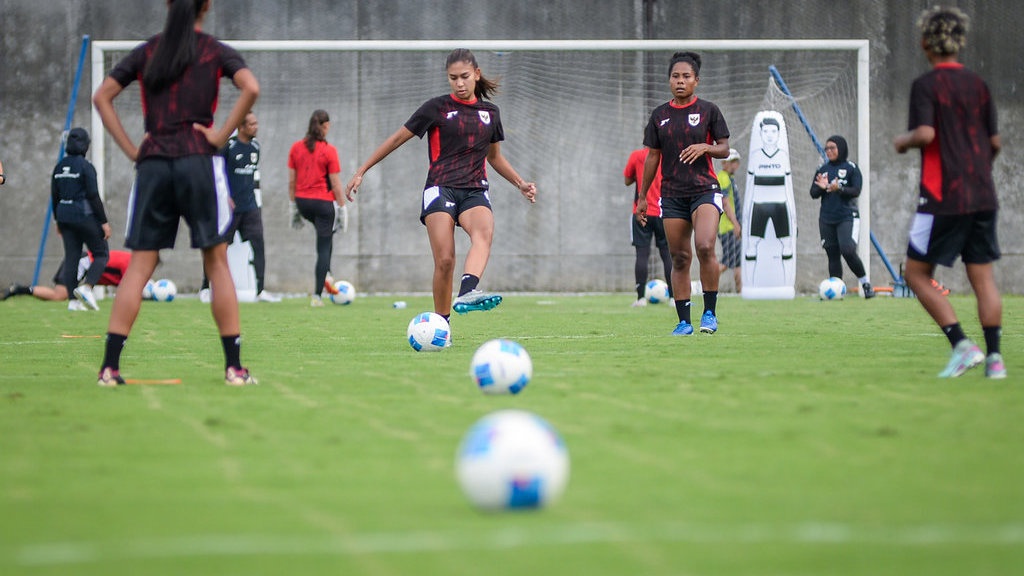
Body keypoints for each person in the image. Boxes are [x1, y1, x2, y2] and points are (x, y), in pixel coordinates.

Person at [92, 0, 260, 386]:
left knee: (140, 265)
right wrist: (220, 135)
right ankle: (234, 369)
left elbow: (101, 96)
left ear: (168, 4)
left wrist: (133, 151)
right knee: (216, 262)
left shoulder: (148, 50)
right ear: (207, 5)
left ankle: (109, 368)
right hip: (198, 162)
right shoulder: (213, 50)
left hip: (154, 164)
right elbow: (251, 87)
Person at [344, 48, 536, 322]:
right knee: (445, 261)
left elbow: (494, 157)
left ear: (476, 74)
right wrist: (362, 170)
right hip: (440, 188)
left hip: (475, 189)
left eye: (464, 76)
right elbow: (397, 139)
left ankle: (467, 292)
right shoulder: (436, 108)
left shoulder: (490, 113)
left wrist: (520, 183)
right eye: (453, 78)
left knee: (484, 233)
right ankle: (441, 326)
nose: (459, 83)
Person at [893, 6, 1004, 379]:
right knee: (983, 278)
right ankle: (995, 360)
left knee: (915, 273)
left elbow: (926, 134)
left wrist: (904, 141)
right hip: (982, 194)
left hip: (941, 197)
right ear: (960, 42)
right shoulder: (978, 85)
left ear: (925, 43)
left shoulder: (926, 86)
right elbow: (995, 143)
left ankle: (961, 345)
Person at [637, 51, 730, 336]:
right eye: (675, 76)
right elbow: (653, 156)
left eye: (686, 76)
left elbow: (725, 149)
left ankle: (710, 313)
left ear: (696, 80)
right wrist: (643, 197)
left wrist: (706, 147)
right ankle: (684, 322)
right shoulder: (659, 116)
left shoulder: (709, 110)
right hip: (672, 194)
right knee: (679, 257)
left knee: (705, 246)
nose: (680, 81)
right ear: (669, 80)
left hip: (705, 190)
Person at [199, 111, 279, 303]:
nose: (256, 127)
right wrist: (224, 196)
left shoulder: (255, 147)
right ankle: (205, 287)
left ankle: (260, 291)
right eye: (251, 124)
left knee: (258, 245)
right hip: (229, 209)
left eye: (256, 123)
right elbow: (215, 172)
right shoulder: (229, 147)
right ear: (241, 127)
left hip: (250, 207)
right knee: (217, 248)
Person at [288, 109, 346, 307]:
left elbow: (292, 181)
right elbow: (335, 184)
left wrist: (293, 206)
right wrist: (342, 207)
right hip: (322, 204)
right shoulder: (329, 150)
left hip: (303, 203)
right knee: (323, 247)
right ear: (326, 126)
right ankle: (317, 296)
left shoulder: (296, 147)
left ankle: (327, 274)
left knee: (326, 235)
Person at [51, 127, 111, 311]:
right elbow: (93, 195)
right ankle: (87, 287)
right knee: (101, 254)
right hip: (84, 216)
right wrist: (103, 221)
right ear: (86, 146)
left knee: (72, 257)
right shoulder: (86, 167)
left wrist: (57, 220)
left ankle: (73, 301)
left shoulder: (59, 167)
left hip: (64, 216)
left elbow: (55, 195)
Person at [809, 135, 874, 298]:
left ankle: (866, 284)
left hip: (847, 216)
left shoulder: (851, 168)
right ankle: (836, 289)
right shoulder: (823, 169)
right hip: (826, 218)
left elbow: (856, 190)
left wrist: (839, 189)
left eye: (832, 148)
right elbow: (813, 193)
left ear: (841, 148)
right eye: (827, 148)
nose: (829, 151)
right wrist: (822, 187)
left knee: (848, 250)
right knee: (832, 254)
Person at [623, 147, 672, 307]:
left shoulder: (637, 155)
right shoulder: (667, 154)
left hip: (641, 212)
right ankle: (674, 298)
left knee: (642, 254)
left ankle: (640, 299)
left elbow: (627, 180)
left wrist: (640, 176)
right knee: (668, 254)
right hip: (663, 211)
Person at [3, 250, 131, 309]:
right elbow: (129, 290)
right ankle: (19, 289)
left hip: (83, 263)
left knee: (58, 295)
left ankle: (19, 289)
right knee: (59, 295)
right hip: (81, 262)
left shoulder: (132, 263)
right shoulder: (130, 263)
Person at [716, 148, 743, 293]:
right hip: (727, 227)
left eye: (736, 162)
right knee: (727, 261)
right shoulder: (723, 178)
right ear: (725, 163)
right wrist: (736, 224)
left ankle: (740, 292)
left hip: (732, 226)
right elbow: (725, 203)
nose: (735, 165)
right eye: (732, 162)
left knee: (738, 262)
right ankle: (705, 283)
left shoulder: (730, 178)